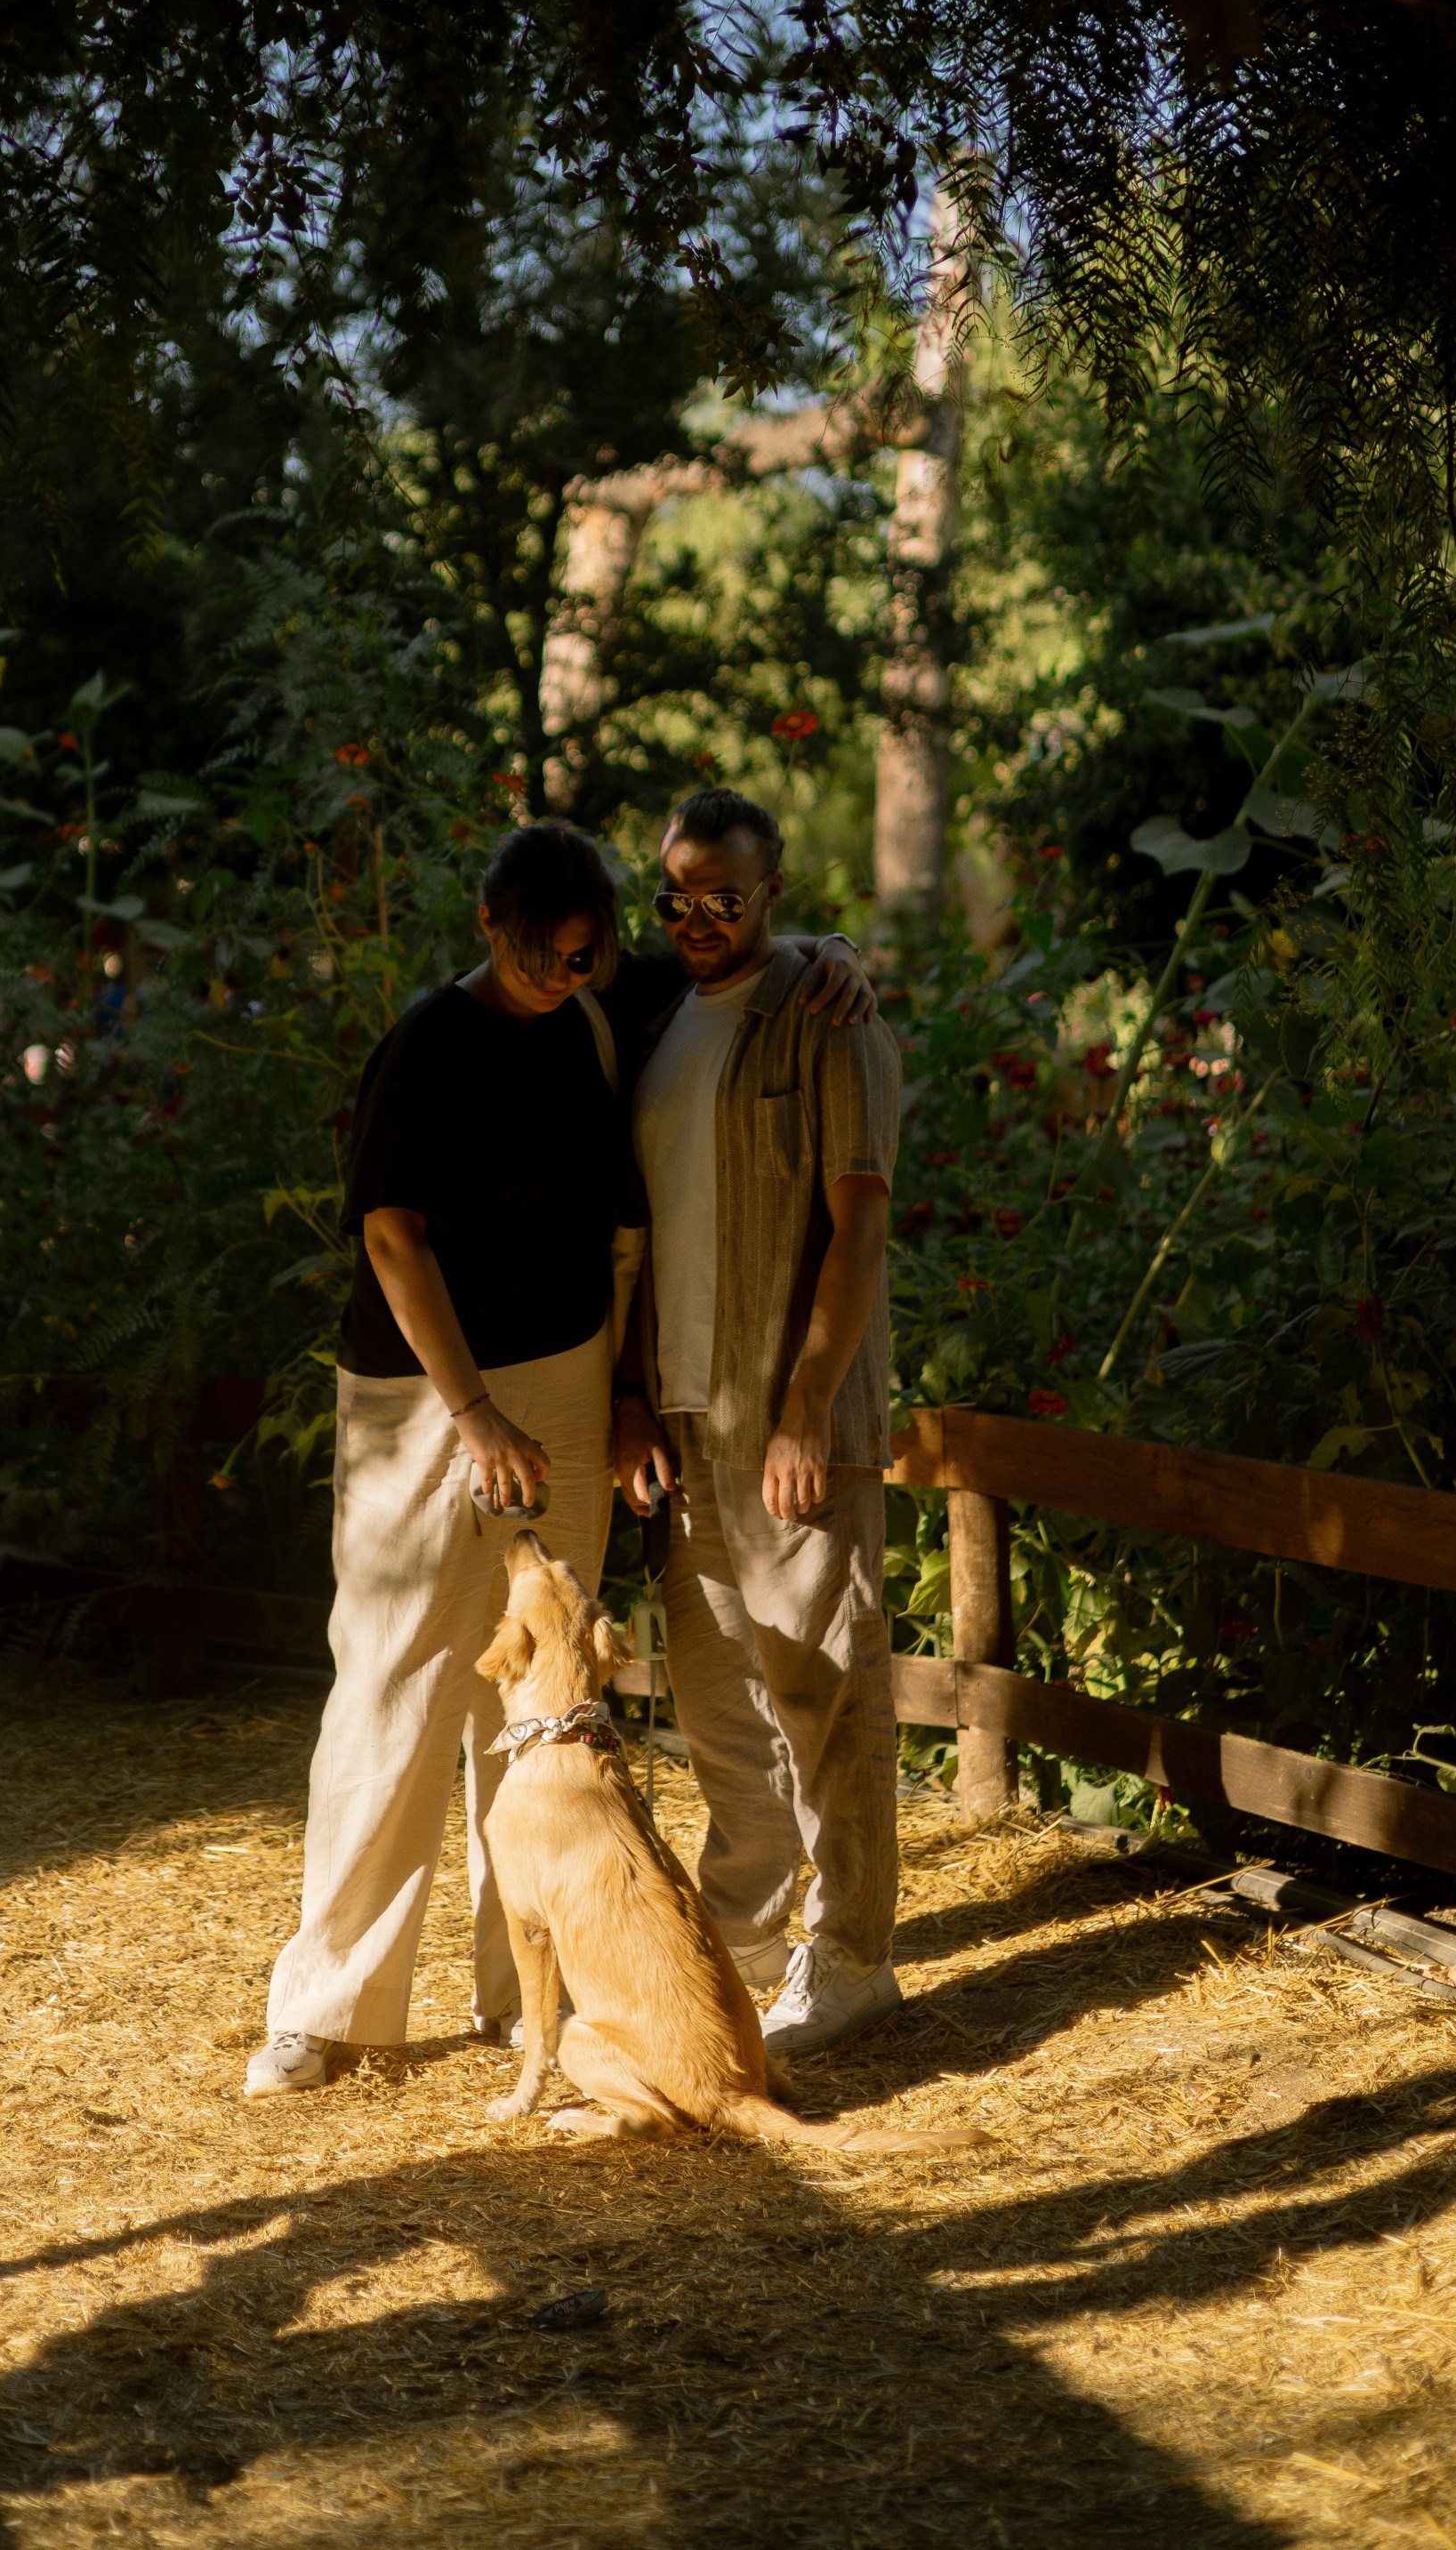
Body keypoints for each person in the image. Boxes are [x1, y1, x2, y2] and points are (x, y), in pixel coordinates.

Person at [248, 818, 876, 2096]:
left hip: (573, 1378)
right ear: (488, 925)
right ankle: (330, 2004)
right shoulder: (428, 1046)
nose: (560, 974)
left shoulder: (607, 1002)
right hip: (427, 1390)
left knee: (542, 1694)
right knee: (395, 1682)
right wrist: (473, 1409)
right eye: (537, 954)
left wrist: (835, 949)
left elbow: (739, 945)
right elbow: (392, 1240)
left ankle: (519, 1997)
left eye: (584, 954)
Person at [613, 785, 905, 2063]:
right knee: (723, 1701)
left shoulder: (829, 1017)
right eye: (675, 899)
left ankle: (852, 1958)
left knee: (827, 1686)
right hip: (686, 1411)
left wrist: (806, 1408)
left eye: (723, 898)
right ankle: (736, 1942)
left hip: (791, 1414)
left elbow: (861, 1223)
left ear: (772, 890)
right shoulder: (658, 1018)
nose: (697, 920)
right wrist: (633, 1396)